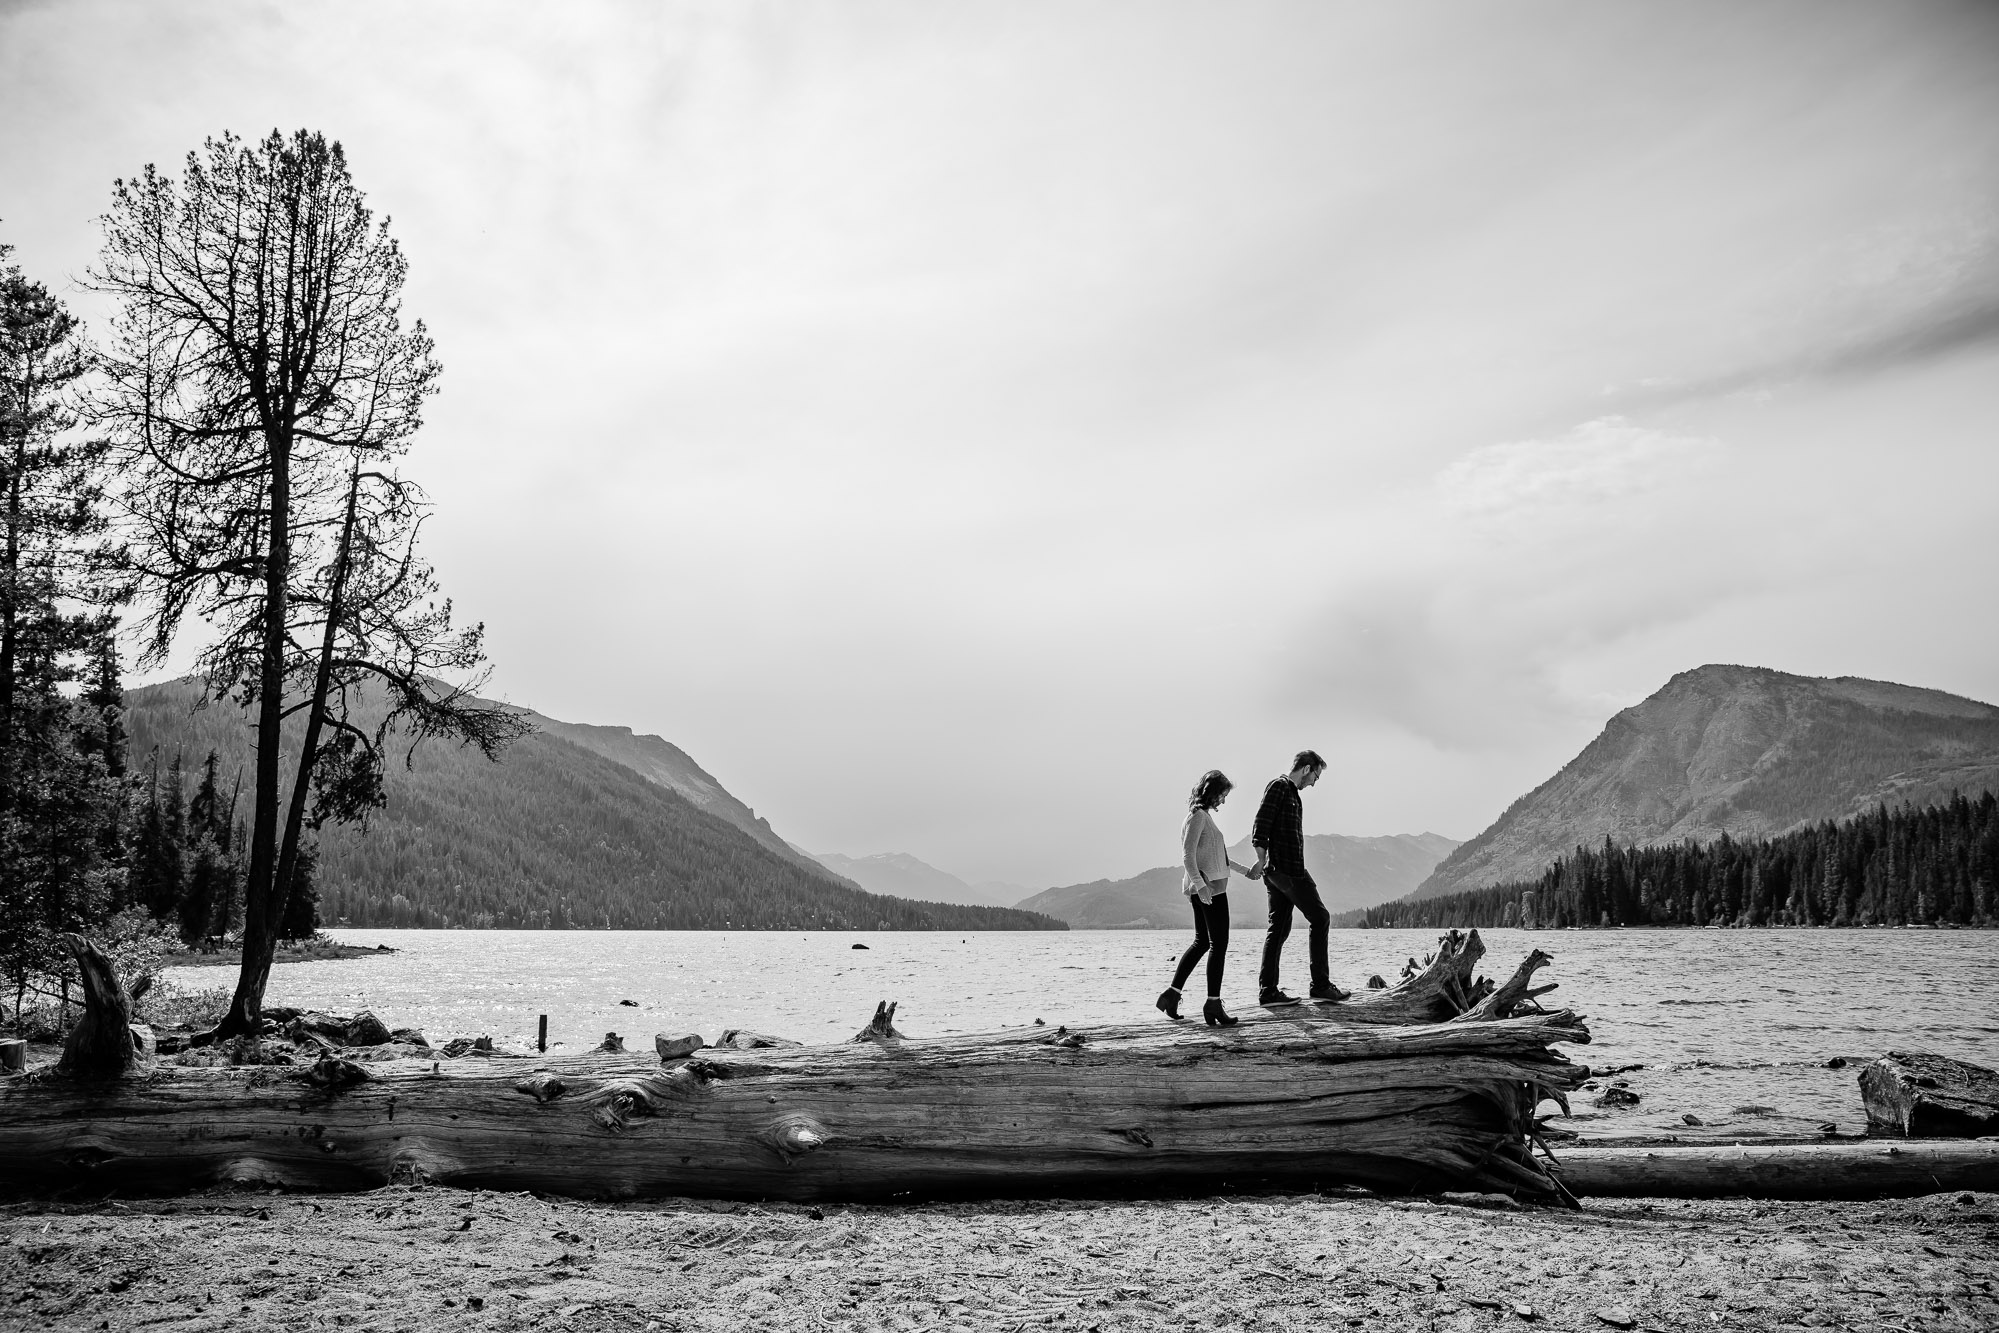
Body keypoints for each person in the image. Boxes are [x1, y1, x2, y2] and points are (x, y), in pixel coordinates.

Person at [1157, 769, 1258, 1027]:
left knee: (1202, 942)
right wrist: (1202, 887)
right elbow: (1187, 856)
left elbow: (1220, 858)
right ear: (1212, 792)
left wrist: (1246, 871)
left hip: (1208, 887)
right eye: (1223, 795)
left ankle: (1171, 995)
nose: (1224, 801)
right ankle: (1212, 1003)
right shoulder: (1198, 816)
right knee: (1218, 944)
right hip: (1209, 890)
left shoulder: (1203, 817)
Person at [1247, 749, 1348, 1006]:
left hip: (1284, 871)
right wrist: (1261, 860)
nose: (1314, 782)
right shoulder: (1279, 787)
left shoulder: (1292, 794)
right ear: (1306, 768)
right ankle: (1321, 986)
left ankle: (1268, 992)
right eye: (1315, 776)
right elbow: (1260, 826)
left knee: (1279, 929)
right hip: (1286, 871)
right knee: (1321, 917)